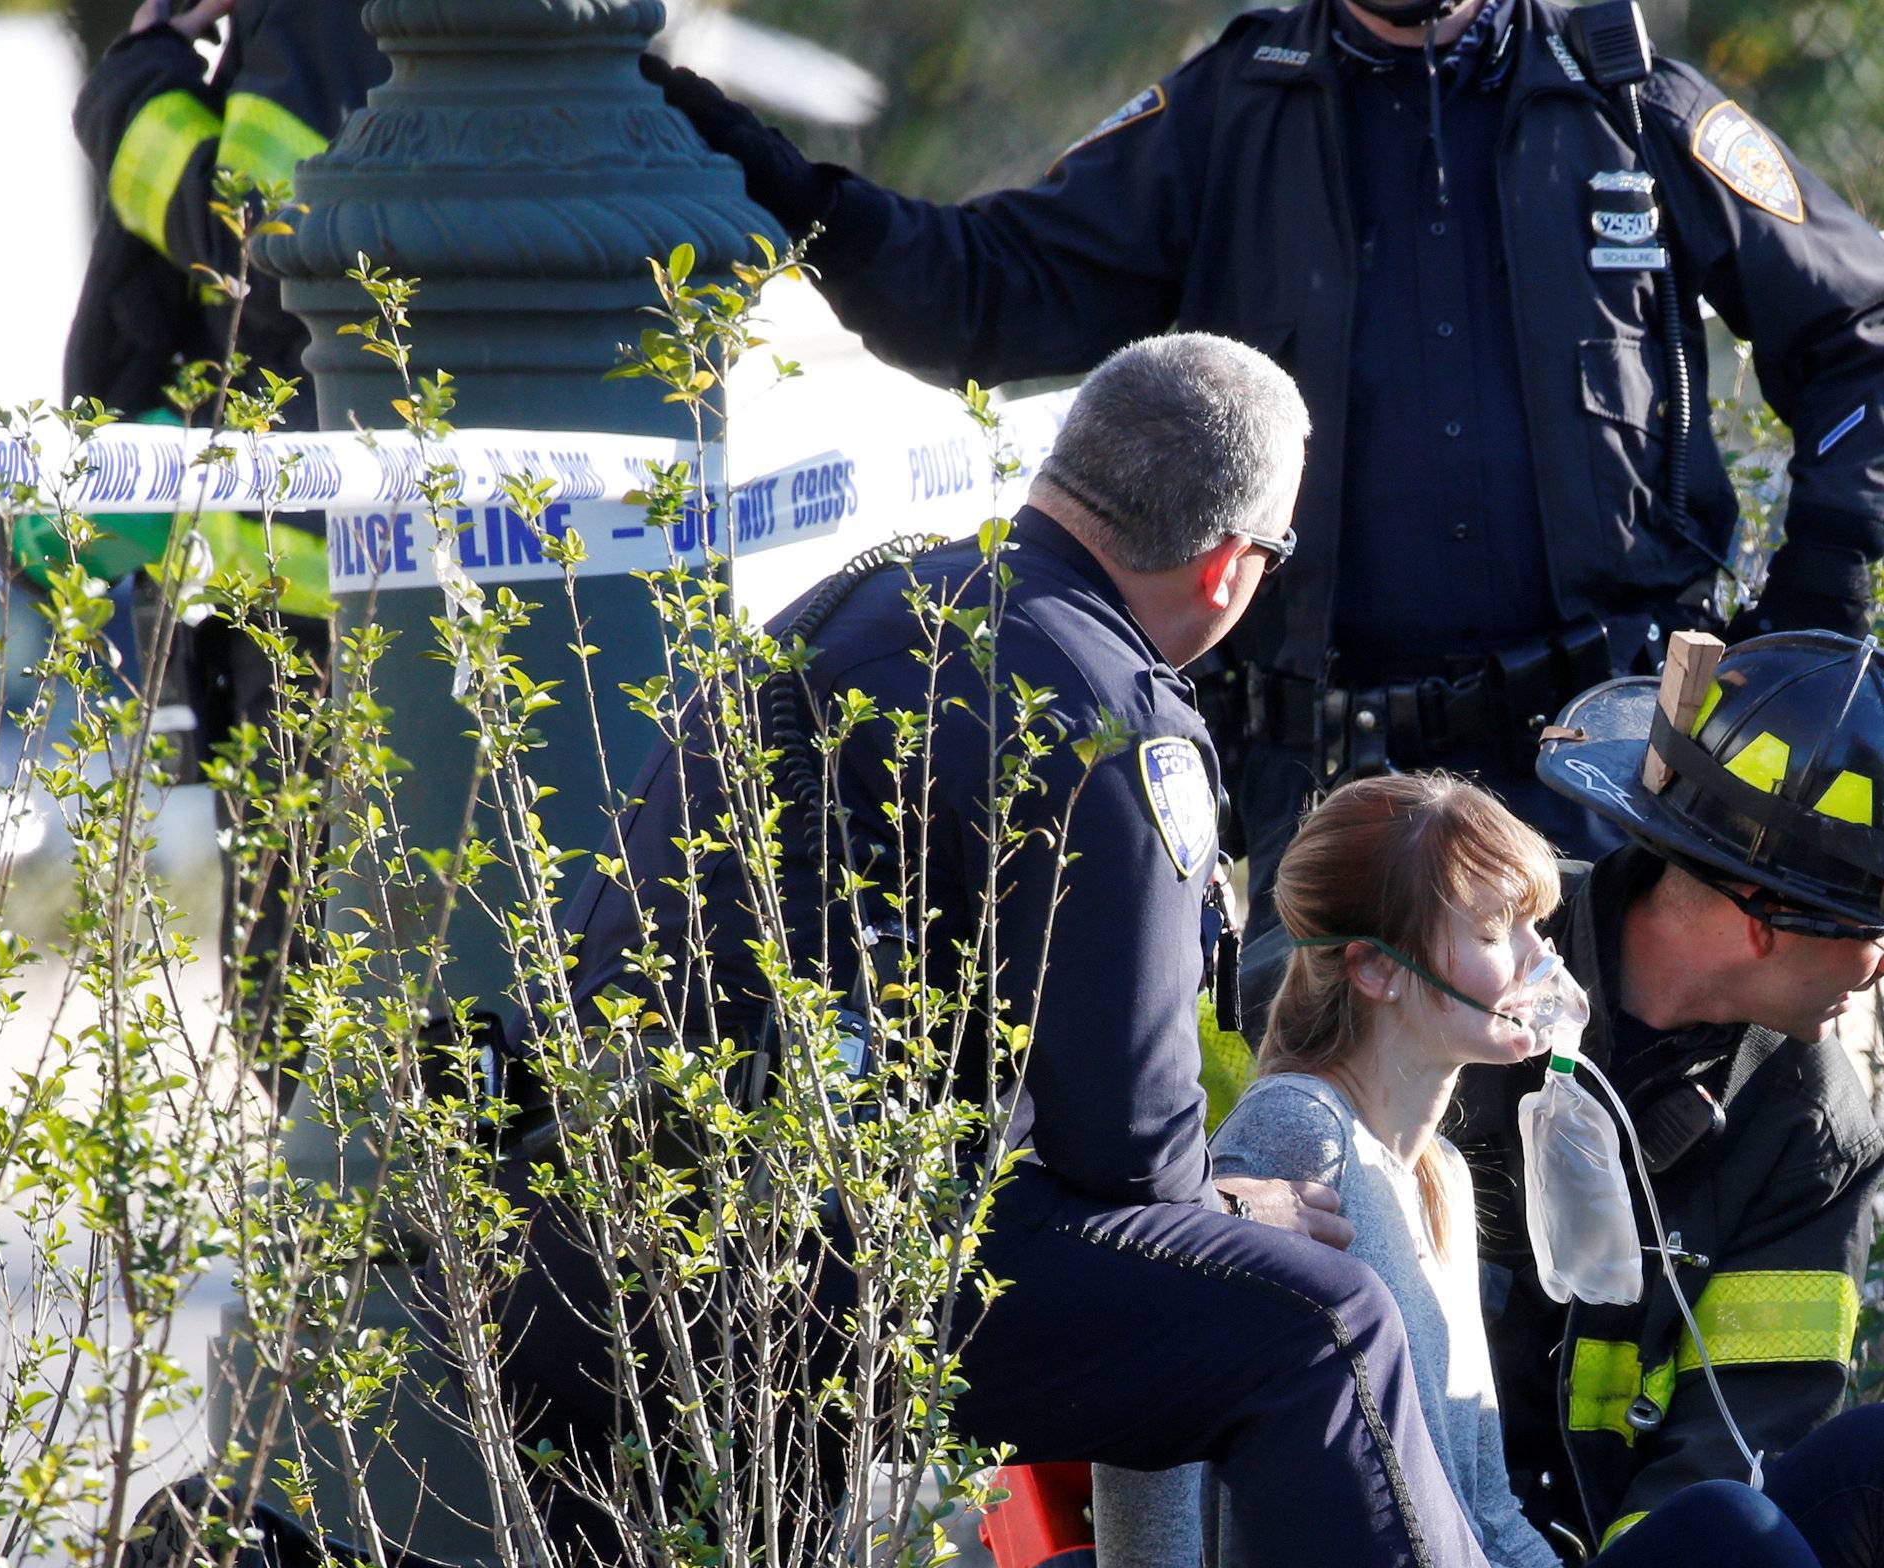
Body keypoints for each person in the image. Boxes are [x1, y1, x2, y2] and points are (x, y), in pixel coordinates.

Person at [477, 331, 1597, 1568]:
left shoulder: (861, 608)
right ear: (1228, 565)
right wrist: (1235, 1213)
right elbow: (1126, 1141)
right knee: (1315, 1321)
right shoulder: (1109, 707)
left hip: (582, 1255)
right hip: (795, 1260)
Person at [640, 0, 1884, 928]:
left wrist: (1819, 588)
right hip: (1337, 785)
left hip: (1615, 771)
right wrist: (800, 200)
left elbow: (1860, 338)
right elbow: (986, 297)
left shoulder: (1626, 98)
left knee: (1612, 1164)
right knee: (1337, 1189)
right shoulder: (1235, 109)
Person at [1088, 772, 1884, 1568]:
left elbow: (1488, 1514)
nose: (1536, 965)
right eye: (1495, 932)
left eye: (1536, 928)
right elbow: (1144, 1456)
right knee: (1721, 1535)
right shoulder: (1294, 1137)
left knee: (1858, 1460)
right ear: (1375, 967)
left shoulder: (1439, 1177)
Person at [1441, 633, 1884, 1557]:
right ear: (1769, 919)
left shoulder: (1813, 1129)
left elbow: (1729, 1461)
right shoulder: (1460, 954)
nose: (1877, 969)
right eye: (1869, 929)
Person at [61, 0, 385, 1090]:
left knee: (310, 992)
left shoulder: (319, 16)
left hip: (312, 603)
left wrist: (135, 87)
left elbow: (259, 231)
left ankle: (360, 1249)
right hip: (318, 586)